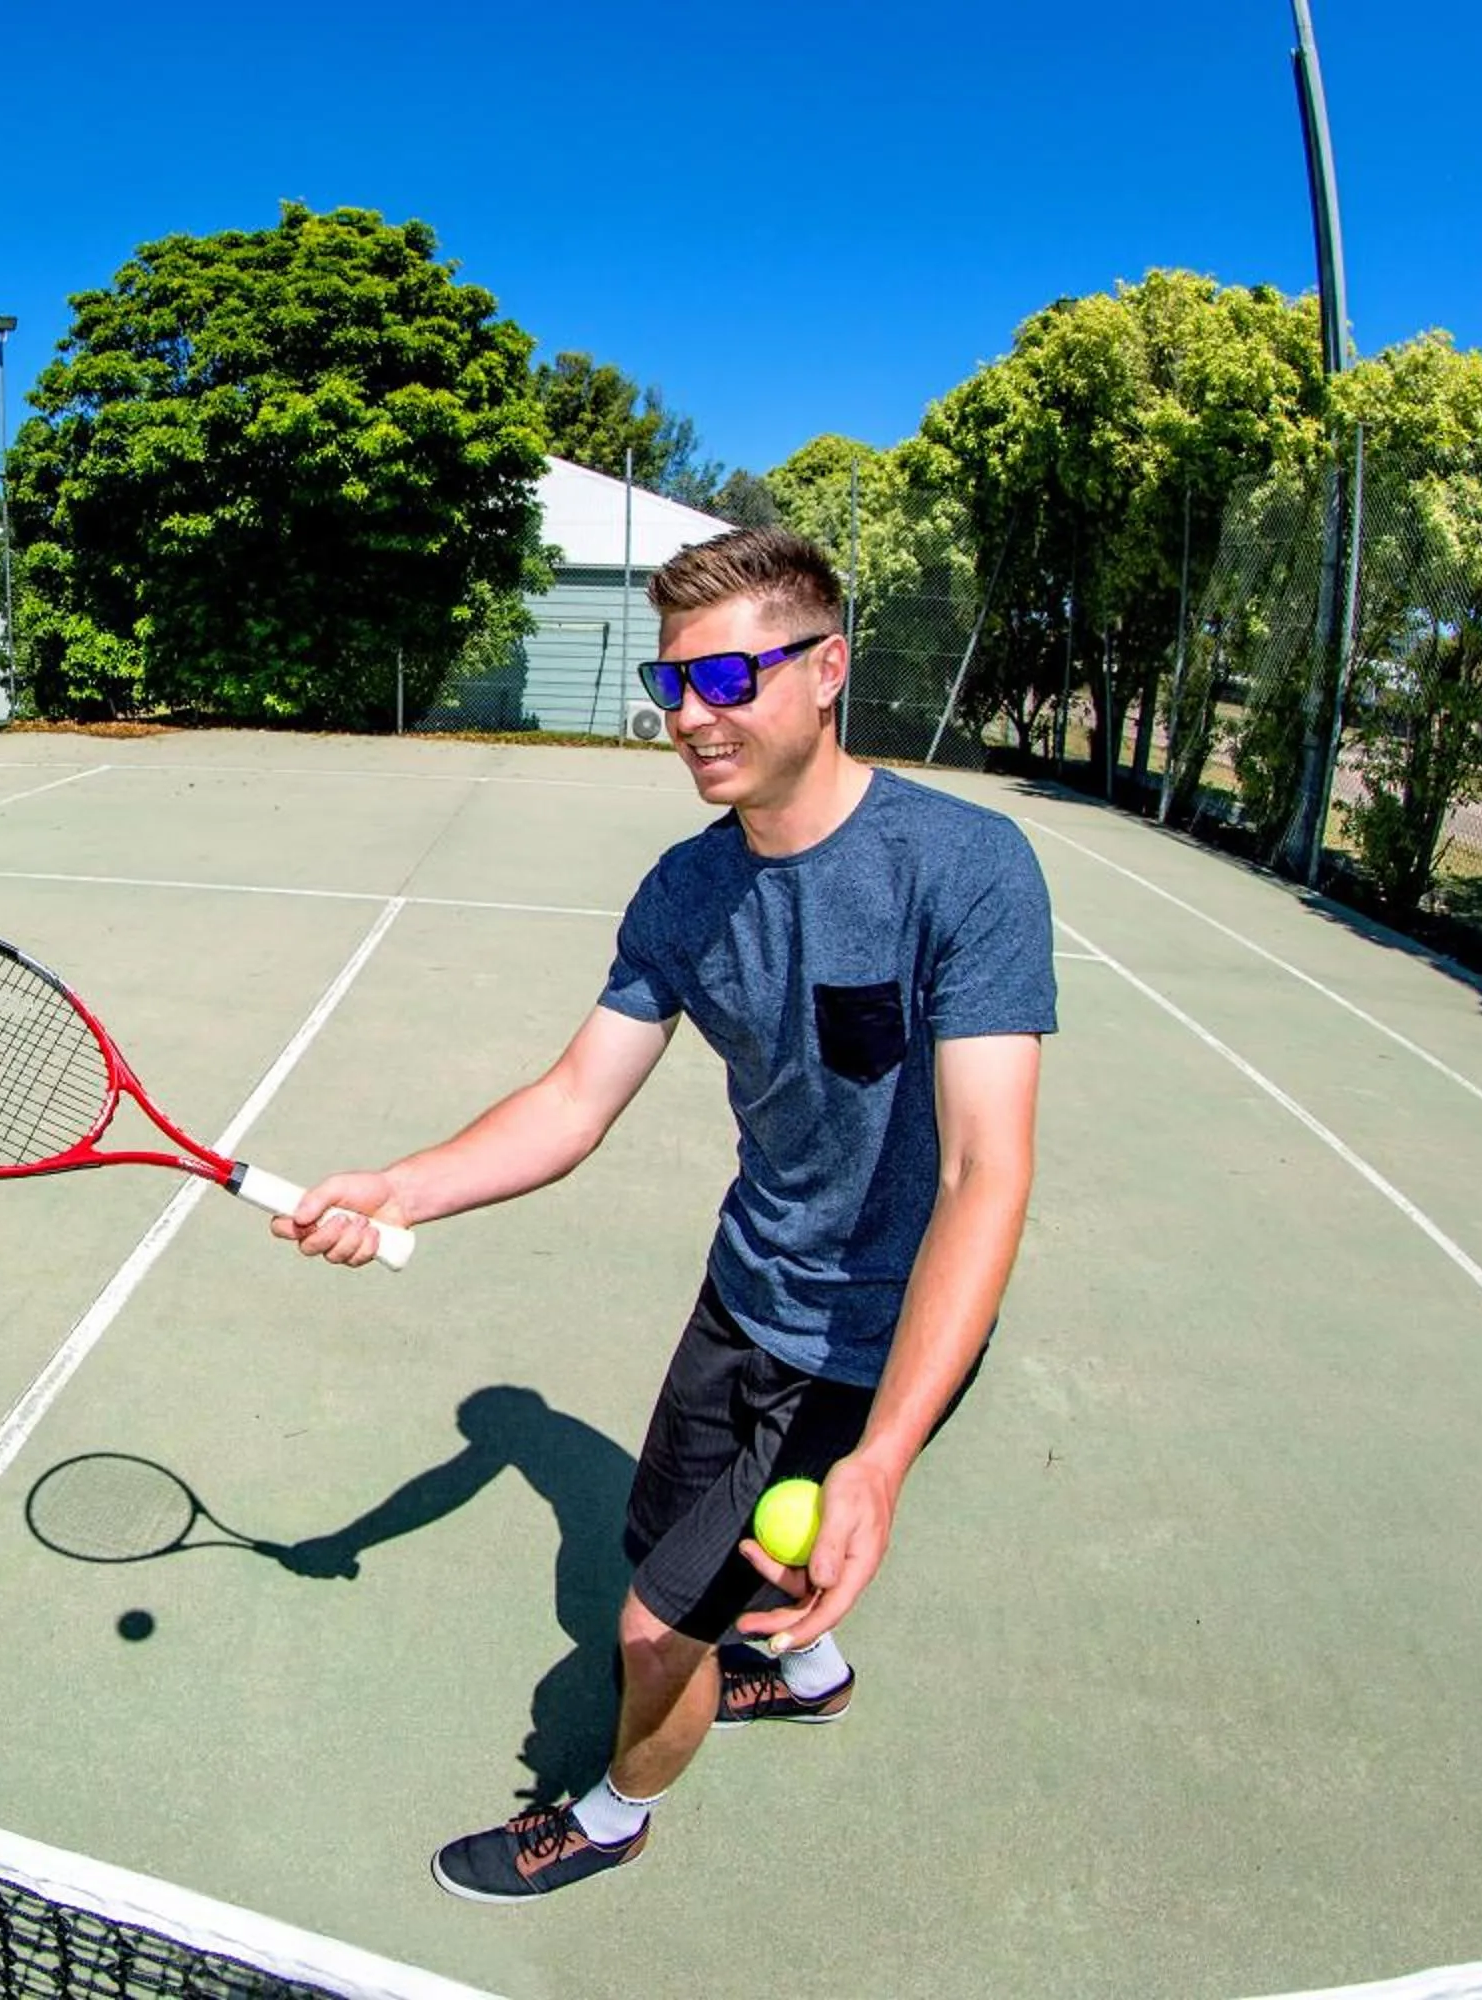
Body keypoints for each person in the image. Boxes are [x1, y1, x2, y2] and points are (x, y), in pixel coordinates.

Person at [276, 525, 1055, 1903]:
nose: (690, 719)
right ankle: (809, 1670)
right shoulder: (689, 890)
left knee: (649, 1629)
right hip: (742, 1296)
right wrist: (402, 1186)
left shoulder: (965, 867)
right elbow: (577, 1099)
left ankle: (613, 1812)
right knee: (675, 1559)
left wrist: (881, 1454)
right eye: (672, 683)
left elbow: (985, 1173)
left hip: (874, 1343)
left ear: (830, 673)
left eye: (731, 679)